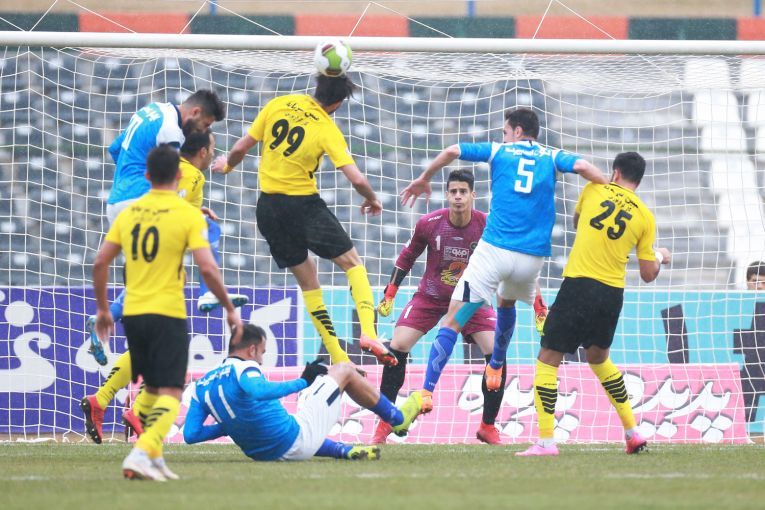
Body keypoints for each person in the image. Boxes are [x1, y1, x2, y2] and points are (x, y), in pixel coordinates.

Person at [400, 108, 607, 413]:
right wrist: (608, 194)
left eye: (506, 132)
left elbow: (452, 150)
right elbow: (583, 166)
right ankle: (496, 363)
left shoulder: (499, 151)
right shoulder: (552, 156)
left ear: (517, 131)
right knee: (506, 302)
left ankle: (427, 391)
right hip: (532, 258)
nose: (504, 137)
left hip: (495, 250)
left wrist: (424, 177)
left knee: (453, 319)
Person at [211, 73, 394, 366]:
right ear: (337, 103)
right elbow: (357, 179)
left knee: (309, 285)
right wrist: (372, 198)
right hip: (303, 206)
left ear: (316, 87)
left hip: (268, 209)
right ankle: (369, 333)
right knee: (353, 264)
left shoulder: (278, 104)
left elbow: (240, 148)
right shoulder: (326, 128)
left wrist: (227, 166)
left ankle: (338, 356)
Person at [81, 131, 248, 443]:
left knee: (141, 356)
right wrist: (226, 305)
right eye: (212, 148)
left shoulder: (131, 212)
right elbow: (206, 265)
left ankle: (103, 399)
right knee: (173, 384)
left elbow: (100, 262)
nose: (213, 153)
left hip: (134, 300)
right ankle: (145, 443)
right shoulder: (190, 187)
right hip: (166, 301)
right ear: (180, 172)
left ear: (147, 176)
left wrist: (104, 310)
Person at [372, 169, 548, 445]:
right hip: (430, 296)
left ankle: (487, 426)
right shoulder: (429, 223)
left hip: (472, 298)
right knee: (398, 346)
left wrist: (539, 305)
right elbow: (407, 256)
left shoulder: (488, 226)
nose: (457, 197)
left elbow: (515, 262)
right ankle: (384, 422)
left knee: (495, 352)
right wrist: (391, 292)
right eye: (453, 191)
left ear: (472, 195)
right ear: (446, 195)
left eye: (462, 192)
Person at [516, 151, 671, 457]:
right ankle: (632, 431)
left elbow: (577, 223)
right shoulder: (645, 216)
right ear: (639, 181)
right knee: (599, 358)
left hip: (580, 284)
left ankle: (546, 441)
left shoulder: (594, 190)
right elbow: (648, 274)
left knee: (548, 358)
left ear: (615, 173)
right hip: (611, 294)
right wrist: (660, 256)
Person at [86, 89, 236, 366]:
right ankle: (207, 293)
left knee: (162, 278)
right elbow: (171, 178)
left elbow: (115, 149)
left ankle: (110, 318)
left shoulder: (150, 111)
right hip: (140, 200)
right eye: (204, 126)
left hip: (118, 201)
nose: (201, 132)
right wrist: (186, 211)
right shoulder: (171, 130)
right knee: (200, 234)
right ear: (195, 112)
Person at [183, 324, 422, 461]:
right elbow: (259, 391)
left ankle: (344, 450)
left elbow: (191, 435)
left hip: (264, 453)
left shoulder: (201, 386)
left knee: (300, 420)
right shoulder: (243, 369)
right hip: (293, 440)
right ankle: (397, 419)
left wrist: (229, 424)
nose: (261, 359)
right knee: (344, 370)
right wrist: (303, 381)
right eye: (262, 352)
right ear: (252, 349)